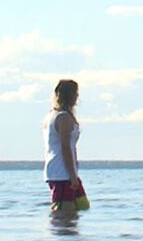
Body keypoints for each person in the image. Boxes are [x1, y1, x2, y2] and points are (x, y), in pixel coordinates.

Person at [43, 79, 90, 211]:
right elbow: (65, 147)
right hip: (62, 172)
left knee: (82, 205)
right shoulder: (63, 118)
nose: (77, 96)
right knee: (65, 210)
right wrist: (72, 175)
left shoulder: (52, 116)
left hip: (62, 171)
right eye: (75, 93)